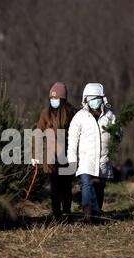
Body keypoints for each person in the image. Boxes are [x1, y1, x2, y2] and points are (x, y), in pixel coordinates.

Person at [67, 83, 116, 221]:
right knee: (86, 184)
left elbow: (117, 136)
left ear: (103, 99)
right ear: (86, 100)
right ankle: (88, 213)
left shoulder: (110, 116)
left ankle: (97, 212)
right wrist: (72, 159)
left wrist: (117, 132)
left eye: (97, 98)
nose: (94, 101)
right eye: (91, 98)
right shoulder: (80, 116)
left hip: (103, 160)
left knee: (99, 187)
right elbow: (72, 138)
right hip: (86, 160)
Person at [32, 82, 76, 219]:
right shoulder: (46, 113)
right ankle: (56, 213)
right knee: (55, 186)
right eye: (51, 98)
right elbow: (38, 132)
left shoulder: (71, 113)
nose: (53, 101)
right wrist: (35, 154)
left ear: (62, 99)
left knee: (66, 186)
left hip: (67, 154)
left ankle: (67, 213)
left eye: (56, 99)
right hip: (50, 156)